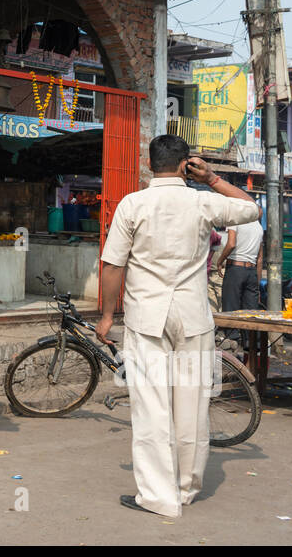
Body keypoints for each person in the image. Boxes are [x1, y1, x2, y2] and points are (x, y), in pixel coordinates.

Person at [95, 135, 261, 518]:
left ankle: (158, 497)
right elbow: (251, 210)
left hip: (147, 317)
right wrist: (213, 178)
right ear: (186, 163)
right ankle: (186, 488)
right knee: (192, 404)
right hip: (191, 316)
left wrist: (106, 316)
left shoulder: (133, 204)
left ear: (149, 163)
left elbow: (113, 265)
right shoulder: (201, 200)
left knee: (150, 407)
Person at [215, 216, 265, 312]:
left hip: (235, 270)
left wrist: (220, 261)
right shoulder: (258, 226)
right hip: (252, 272)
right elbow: (260, 259)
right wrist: (257, 285)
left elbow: (231, 244)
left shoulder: (235, 221)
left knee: (230, 311)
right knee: (250, 314)